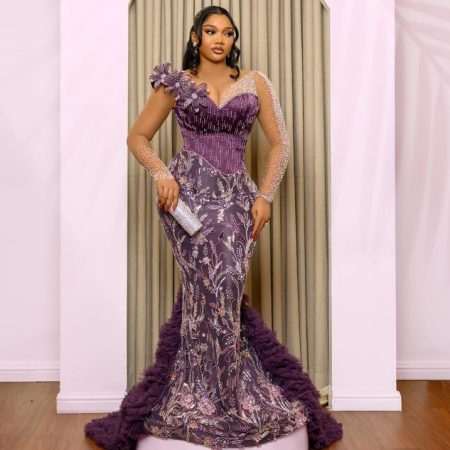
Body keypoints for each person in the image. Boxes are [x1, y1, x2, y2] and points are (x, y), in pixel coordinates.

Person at [84, 5, 343, 450]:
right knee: (202, 294)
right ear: (196, 37)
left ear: (232, 39)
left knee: (225, 292)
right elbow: (137, 137)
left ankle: (229, 393)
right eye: (210, 31)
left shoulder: (255, 82)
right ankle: (198, 395)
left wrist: (265, 196)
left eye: (227, 32)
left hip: (238, 203)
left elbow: (280, 145)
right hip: (185, 201)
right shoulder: (175, 83)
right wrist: (161, 174)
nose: (219, 39)